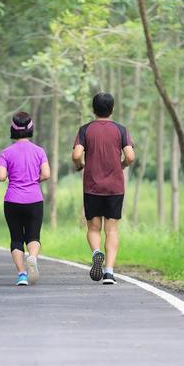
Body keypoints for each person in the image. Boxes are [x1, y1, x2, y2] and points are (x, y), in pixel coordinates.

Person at [72, 92, 135, 285]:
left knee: (93, 227)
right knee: (112, 229)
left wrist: (80, 165)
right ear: (112, 109)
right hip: (115, 187)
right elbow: (131, 156)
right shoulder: (121, 130)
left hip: (92, 186)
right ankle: (108, 272)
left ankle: (96, 252)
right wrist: (122, 165)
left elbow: (76, 155)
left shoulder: (85, 129)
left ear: (93, 109)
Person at [0, 112, 50, 286]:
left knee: (16, 238)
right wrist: (34, 179)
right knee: (33, 236)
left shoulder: (6, 153)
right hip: (34, 199)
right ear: (31, 129)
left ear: (12, 129)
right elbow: (46, 174)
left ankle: (21, 275)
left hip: (12, 200)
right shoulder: (39, 151)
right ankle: (32, 257)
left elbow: (0, 176)